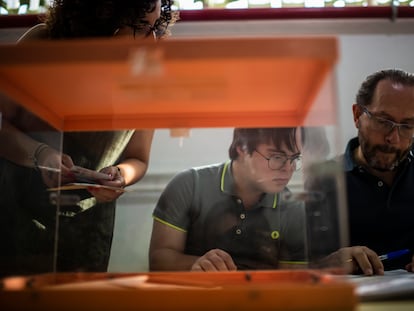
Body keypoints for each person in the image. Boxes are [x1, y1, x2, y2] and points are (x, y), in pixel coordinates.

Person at [0, 0, 178, 276]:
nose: (152, 40)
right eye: (141, 27)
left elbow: (139, 157)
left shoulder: (149, 76)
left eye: (156, 27)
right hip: (16, 210)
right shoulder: (43, 44)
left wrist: (120, 175)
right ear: (102, 17)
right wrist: (40, 153)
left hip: (89, 224)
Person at [148, 127, 308, 271]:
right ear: (242, 148)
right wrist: (196, 264)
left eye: (294, 158)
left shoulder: (293, 208)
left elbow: (294, 279)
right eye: (277, 157)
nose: (288, 169)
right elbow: (158, 259)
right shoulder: (189, 185)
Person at [307, 69, 414, 276]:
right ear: (357, 115)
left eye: (407, 126)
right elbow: (297, 264)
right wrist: (329, 262)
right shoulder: (320, 182)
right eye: (383, 121)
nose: (394, 138)